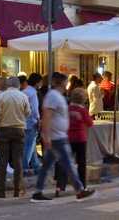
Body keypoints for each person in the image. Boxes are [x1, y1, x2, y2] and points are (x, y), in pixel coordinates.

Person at [31, 72, 95, 202]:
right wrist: (46, 136)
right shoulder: (53, 96)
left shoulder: (57, 96)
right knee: (68, 164)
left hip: (58, 136)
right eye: (67, 82)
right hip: (57, 138)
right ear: (62, 83)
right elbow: (47, 116)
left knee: (48, 166)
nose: (68, 85)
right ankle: (80, 190)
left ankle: (38, 192)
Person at [0, 77, 31, 198]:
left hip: (4, 129)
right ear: (18, 85)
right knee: (18, 160)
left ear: (8, 85)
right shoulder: (23, 96)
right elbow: (28, 112)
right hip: (19, 129)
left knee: (3, 161)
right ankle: (17, 189)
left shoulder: (1, 96)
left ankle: (1, 190)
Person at [55, 88, 94, 196]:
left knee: (64, 162)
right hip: (81, 139)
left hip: (68, 138)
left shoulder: (66, 109)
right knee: (81, 163)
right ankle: (82, 186)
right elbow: (90, 123)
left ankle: (59, 187)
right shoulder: (83, 110)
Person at [22, 73, 43, 176]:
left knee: (31, 144)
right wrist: (38, 120)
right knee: (29, 145)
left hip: (24, 122)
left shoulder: (25, 91)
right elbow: (34, 109)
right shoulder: (33, 93)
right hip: (31, 122)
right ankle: (24, 167)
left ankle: (36, 165)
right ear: (37, 82)